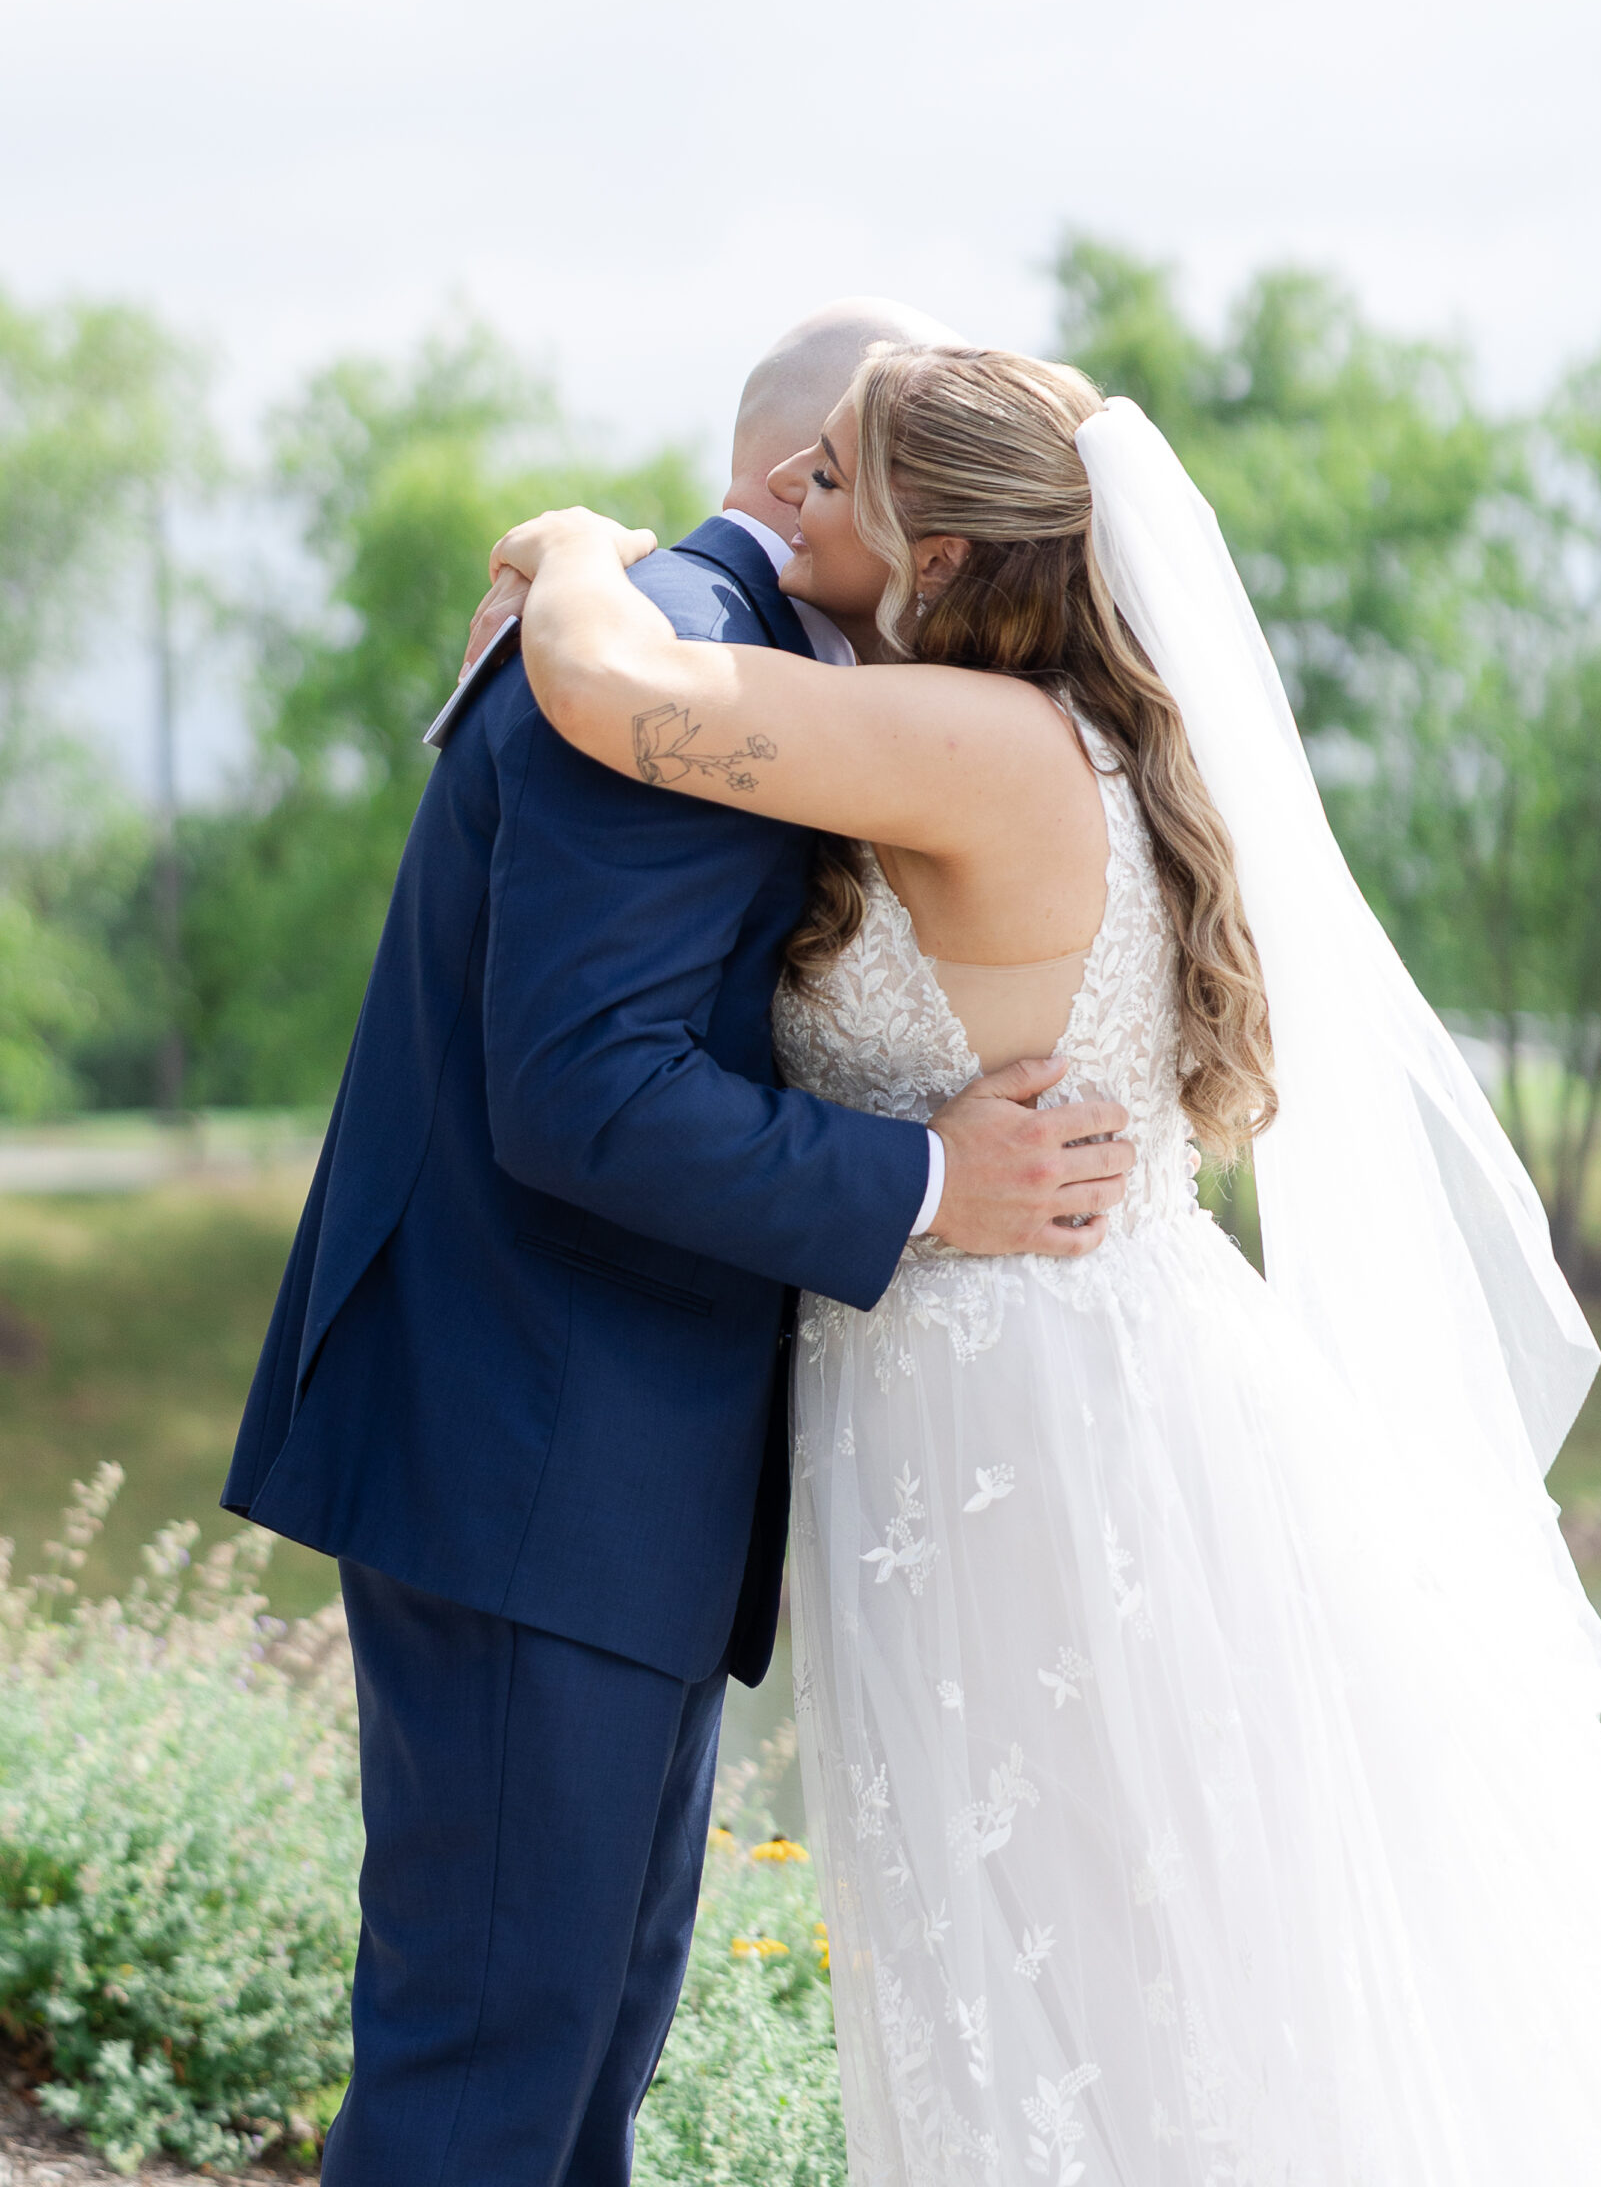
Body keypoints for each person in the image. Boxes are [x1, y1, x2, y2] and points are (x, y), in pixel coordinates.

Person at [492, 341, 1601, 2184]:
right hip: (1079, 1371)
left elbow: (607, 684)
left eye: (838, 481)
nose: (788, 506)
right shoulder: (1079, 724)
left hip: (1020, 1422)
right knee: (1137, 1946)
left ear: (959, 560)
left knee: (1086, 1945)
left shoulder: (971, 738)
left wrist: (569, 538)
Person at [221, 303, 1137, 2187]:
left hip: (595, 1468)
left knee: (574, 2074)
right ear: (811, 483)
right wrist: (928, 1186)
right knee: (489, 2078)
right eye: (898, 484)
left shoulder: (727, 661)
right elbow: (587, 1092)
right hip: (526, 1447)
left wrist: (566, 551)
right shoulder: (694, 658)